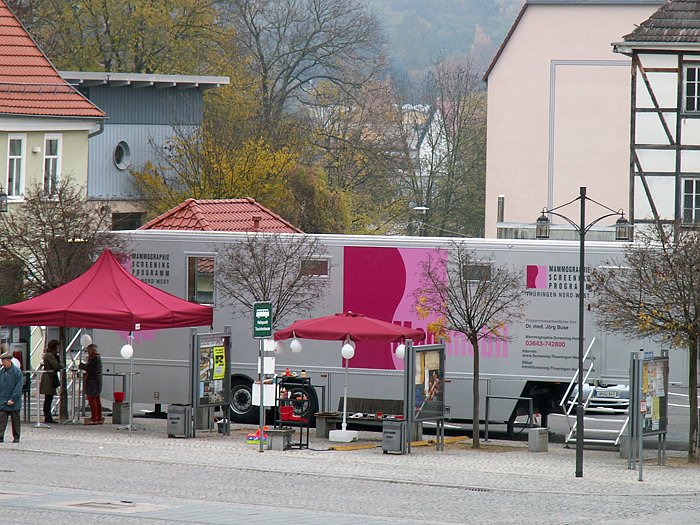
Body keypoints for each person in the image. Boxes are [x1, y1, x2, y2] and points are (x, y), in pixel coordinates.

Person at [0, 351, 23, 442]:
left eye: (3, 361)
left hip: (14, 402)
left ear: (9, 361)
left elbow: (18, 388)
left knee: (15, 420)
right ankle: (0, 436)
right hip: (3, 401)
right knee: (2, 420)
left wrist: (13, 399)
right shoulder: (1, 371)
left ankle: (16, 437)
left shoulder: (17, 372)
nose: (2, 363)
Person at [79, 344, 103, 424]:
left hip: (93, 382)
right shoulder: (97, 357)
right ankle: (99, 417)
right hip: (97, 381)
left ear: (91, 350)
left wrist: (82, 365)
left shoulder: (94, 358)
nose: (87, 352)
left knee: (92, 399)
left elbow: (89, 368)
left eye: (88, 350)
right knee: (97, 399)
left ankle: (94, 418)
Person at [40, 340, 62, 423]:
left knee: (49, 398)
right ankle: (47, 417)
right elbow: (56, 365)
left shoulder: (51, 355)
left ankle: (48, 416)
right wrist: (61, 365)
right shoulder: (49, 355)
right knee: (48, 398)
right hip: (48, 378)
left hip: (51, 377)